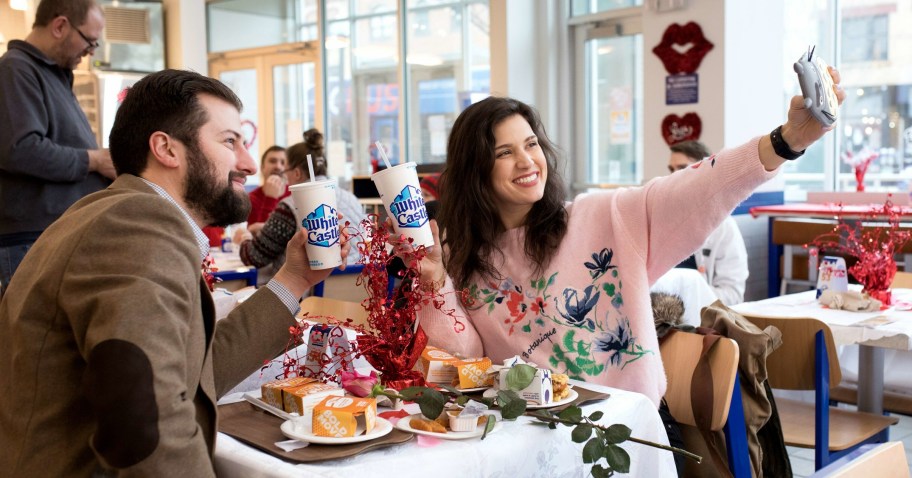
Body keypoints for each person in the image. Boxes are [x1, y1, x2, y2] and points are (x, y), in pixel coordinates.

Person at [405, 74, 844, 410]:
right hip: (524, 436)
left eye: (532, 144)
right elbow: (461, 363)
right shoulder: (463, 262)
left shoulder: (603, 217)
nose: (526, 161)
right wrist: (434, 281)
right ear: (474, 170)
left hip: (625, 430)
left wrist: (787, 142)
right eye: (504, 153)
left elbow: (696, 190)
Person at [0, 69, 349, 476]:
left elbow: (193, 373)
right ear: (166, 149)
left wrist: (294, 278)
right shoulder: (136, 226)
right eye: (230, 142)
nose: (249, 163)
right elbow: (148, 422)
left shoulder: (114, 215)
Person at [0, 0, 116, 297]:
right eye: (89, 41)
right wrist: (94, 161)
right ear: (60, 25)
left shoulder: (52, 73)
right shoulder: (16, 69)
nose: (91, 51)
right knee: (35, 341)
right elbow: (21, 149)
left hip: (55, 234)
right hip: (34, 240)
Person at [238, 128, 366, 284]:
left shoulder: (289, 206)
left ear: (297, 173)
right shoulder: (352, 199)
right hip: (356, 292)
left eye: (286, 170)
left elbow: (253, 257)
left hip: (305, 298)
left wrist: (244, 236)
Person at [667, 140, 749, 305]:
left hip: (699, 318)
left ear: (704, 172)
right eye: (671, 169)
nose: (673, 176)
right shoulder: (664, 218)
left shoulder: (724, 227)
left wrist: (687, 298)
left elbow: (733, 294)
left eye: (682, 168)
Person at [247, 145, 290, 234]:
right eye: (272, 161)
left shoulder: (294, 194)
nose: (278, 166)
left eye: (283, 162)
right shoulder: (251, 198)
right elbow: (259, 236)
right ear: (262, 167)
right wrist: (270, 198)